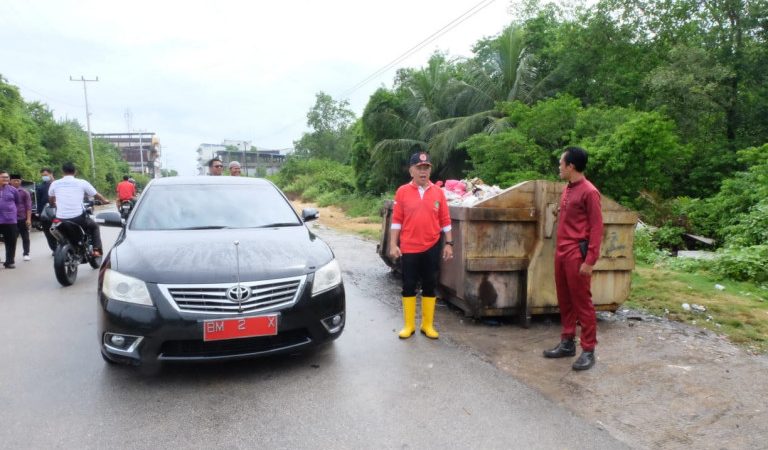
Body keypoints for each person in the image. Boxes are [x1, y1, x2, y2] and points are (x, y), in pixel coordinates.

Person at [543, 146, 604, 371]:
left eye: (561, 163)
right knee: (565, 299)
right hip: (561, 252)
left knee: (582, 303)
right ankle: (567, 342)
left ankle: (588, 350)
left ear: (571, 166)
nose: (559, 167)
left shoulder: (589, 191)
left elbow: (597, 228)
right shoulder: (568, 188)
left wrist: (590, 260)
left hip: (577, 254)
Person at [388, 152, 453, 340]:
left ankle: (427, 325)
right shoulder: (402, 192)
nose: (423, 171)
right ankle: (409, 326)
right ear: (411, 171)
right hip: (409, 246)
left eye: (426, 168)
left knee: (430, 285)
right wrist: (393, 244)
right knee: (408, 285)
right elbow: (397, 221)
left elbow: (445, 220)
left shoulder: (438, 192)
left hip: (432, 245)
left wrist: (449, 243)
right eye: (419, 168)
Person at [47, 162, 110, 256]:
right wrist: (104, 200)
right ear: (75, 172)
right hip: (78, 218)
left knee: (57, 229)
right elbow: (96, 194)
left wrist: (53, 205)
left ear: (62, 172)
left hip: (60, 218)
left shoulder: (55, 183)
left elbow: (51, 199)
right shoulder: (82, 182)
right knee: (94, 226)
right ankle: (96, 250)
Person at [0, 170, 20, 268]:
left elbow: (17, 202)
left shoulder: (13, 190)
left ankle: (9, 261)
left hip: (10, 220)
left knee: (11, 241)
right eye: (3, 177)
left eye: (7, 177)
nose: (6, 179)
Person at [9, 174, 32, 261]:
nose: (16, 182)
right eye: (14, 180)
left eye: (18, 180)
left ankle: (26, 253)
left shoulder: (24, 192)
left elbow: (28, 206)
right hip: (10, 219)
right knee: (12, 239)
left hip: (22, 218)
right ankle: (11, 256)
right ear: (10, 181)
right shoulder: (6, 191)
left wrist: (29, 219)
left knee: (25, 237)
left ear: (21, 181)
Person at [36, 168, 57, 253]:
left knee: (60, 230)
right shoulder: (40, 187)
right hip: (46, 213)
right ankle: (54, 249)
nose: (44, 177)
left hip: (59, 211)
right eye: (43, 176)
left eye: (46, 175)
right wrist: (39, 213)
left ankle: (63, 248)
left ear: (51, 174)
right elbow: (39, 201)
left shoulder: (57, 184)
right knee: (48, 232)